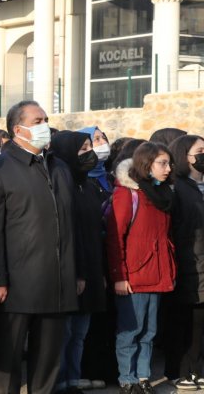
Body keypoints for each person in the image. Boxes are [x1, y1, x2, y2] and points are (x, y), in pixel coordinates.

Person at [0, 100, 78, 394]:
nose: (44, 125)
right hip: (16, 284)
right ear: (17, 129)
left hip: (56, 279)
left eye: (45, 119)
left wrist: (77, 272)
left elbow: (72, 225)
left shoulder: (59, 167)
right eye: (37, 121)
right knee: (7, 359)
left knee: (48, 359)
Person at [106, 142, 175, 394]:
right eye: (162, 163)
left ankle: (143, 377)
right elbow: (115, 238)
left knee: (149, 331)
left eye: (168, 163)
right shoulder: (128, 193)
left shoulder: (162, 193)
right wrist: (119, 276)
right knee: (130, 330)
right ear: (147, 164)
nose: (167, 169)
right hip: (134, 275)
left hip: (157, 273)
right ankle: (127, 378)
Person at [50, 131, 108, 394]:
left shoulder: (88, 186)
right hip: (73, 270)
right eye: (82, 149)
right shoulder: (64, 185)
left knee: (80, 333)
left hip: (92, 267)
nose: (89, 153)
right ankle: (60, 380)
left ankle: (73, 378)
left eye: (89, 148)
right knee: (66, 333)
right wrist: (77, 273)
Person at [162, 135, 204, 390]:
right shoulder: (178, 188)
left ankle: (195, 369)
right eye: (200, 151)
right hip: (189, 262)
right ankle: (181, 371)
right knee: (186, 321)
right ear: (184, 157)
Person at [79, 126, 113, 199]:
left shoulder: (110, 177)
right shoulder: (81, 183)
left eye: (104, 138)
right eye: (97, 139)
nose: (104, 142)